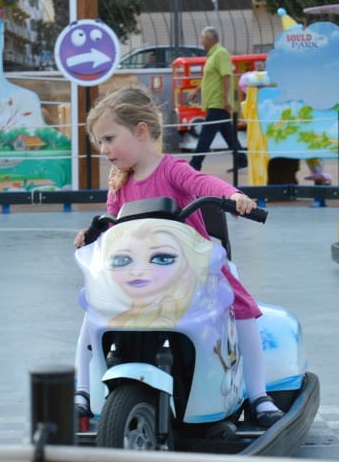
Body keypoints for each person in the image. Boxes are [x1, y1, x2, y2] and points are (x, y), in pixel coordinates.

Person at [72, 84, 284, 428]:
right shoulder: (119, 183)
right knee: (93, 309)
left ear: (141, 132)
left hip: (190, 270)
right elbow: (114, 228)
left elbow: (205, 185)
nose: (104, 149)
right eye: (100, 143)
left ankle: (258, 394)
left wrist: (234, 195)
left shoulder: (172, 169)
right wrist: (92, 237)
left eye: (110, 139)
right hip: (139, 276)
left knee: (241, 307)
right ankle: (83, 388)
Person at [188, 26, 248, 173]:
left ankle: (195, 164)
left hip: (218, 103)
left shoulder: (220, 53)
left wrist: (225, 98)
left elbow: (226, 75)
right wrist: (197, 91)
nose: (201, 41)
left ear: (209, 39)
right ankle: (241, 160)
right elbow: (209, 78)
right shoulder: (212, 55)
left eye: (202, 38)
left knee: (205, 135)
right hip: (214, 103)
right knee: (228, 133)